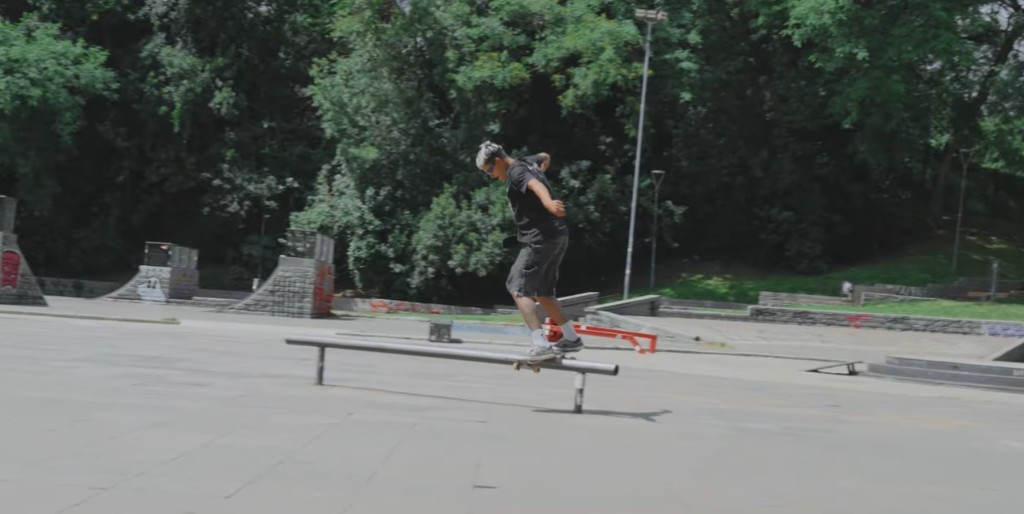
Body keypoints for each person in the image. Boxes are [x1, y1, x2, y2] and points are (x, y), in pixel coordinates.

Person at [475, 140, 584, 359]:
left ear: (497, 161)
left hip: (539, 237)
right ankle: (571, 338)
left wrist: (547, 202)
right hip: (558, 234)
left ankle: (540, 344)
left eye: (489, 170)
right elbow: (545, 156)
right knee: (542, 292)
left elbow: (535, 185)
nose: (491, 176)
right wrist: (542, 168)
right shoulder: (527, 162)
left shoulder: (516, 172)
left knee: (518, 287)